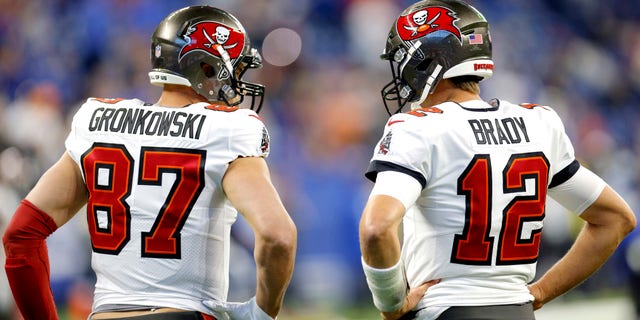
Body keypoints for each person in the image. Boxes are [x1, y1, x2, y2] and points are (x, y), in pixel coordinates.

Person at [2, 5, 296, 320]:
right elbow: (277, 236)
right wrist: (263, 313)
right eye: (235, 70)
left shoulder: (97, 122)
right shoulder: (227, 130)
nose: (237, 83)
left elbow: (21, 234)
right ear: (207, 69)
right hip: (183, 314)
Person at [358, 1, 637, 320]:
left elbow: (376, 228)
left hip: (444, 311)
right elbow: (616, 219)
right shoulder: (539, 123)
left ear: (425, 62)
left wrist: (392, 304)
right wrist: (542, 291)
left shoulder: (419, 128)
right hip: (518, 311)